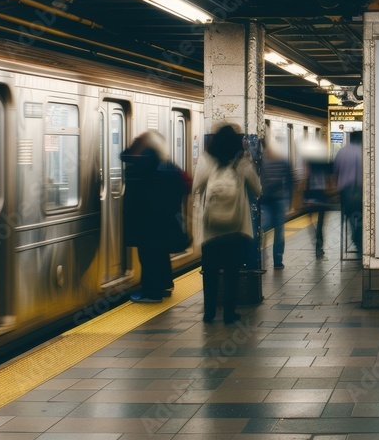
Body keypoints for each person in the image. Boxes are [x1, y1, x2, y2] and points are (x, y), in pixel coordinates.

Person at [193, 123, 261, 324]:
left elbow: (196, 187)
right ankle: (229, 314)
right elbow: (257, 189)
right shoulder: (242, 163)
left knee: (210, 272)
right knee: (232, 272)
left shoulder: (206, 161)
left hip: (210, 228)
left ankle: (209, 313)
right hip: (234, 228)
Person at [122, 131, 190, 303]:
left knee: (148, 256)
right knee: (160, 253)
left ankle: (151, 293)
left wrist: (136, 144)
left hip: (146, 220)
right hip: (163, 218)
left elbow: (125, 156)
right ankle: (165, 284)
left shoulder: (145, 162)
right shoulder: (166, 164)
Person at [260, 137, 293, 269]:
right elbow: (290, 180)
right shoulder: (283, 160)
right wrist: (289, 199)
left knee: (262, 229)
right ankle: (278, 261)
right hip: (279, 199)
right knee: (279, 230)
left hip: (265, 200)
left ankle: (261, 258)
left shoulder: (261, 160)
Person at [299, 138, 333, 258]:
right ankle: (319, 246)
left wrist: (304, 198)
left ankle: (317, 244)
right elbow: (328, 183)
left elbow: (305, 179)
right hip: (322, 198)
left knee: (311, 225)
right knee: (320, 225)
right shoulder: (324, 164)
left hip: (311, 197)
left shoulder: (308, 163)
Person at [334, 130, 363, 258]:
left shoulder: (342, 152)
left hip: (345, 191)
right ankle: (359, 239)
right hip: (361, 190)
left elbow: (336, 170)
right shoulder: (363, 151)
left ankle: (356, 238)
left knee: (351, 217)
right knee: (362, 217)